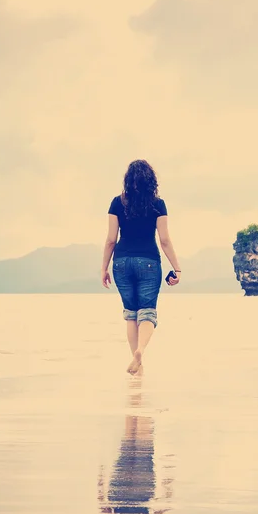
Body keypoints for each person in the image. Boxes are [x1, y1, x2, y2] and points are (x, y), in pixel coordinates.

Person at [101, 159, 181, 374]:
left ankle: (137, 363)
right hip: (148, 262)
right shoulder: (158, 204)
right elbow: (164, 240)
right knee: (147, 312)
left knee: (131, 314)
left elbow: (110, 239)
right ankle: (141, 352)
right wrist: (177, 267)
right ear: (151, 180)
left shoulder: (117, 203)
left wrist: (104, 268)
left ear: (128, 179)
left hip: (121, 262)